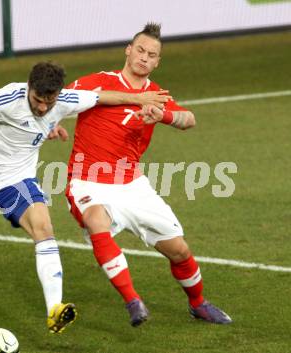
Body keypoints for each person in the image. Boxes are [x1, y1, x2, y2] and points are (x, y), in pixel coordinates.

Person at [0, 61, 170, 341]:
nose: (42, 107)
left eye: (48, 102)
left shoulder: (64, 100)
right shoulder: (7, 99)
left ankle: (54, 309)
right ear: (29, 88)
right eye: (38, 100)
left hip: (18, 181)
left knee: (44, 228)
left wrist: (140, 98)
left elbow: (102, 96)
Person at [60, 23, 232, 326]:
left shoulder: (157, 94)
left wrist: (162, 115)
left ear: (157, 62)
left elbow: (188, 119)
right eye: (140, 50)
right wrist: (50, 124)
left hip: (133, 186)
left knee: (179, 250)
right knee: (96, 218)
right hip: (88, 180)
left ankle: (198, 304)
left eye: (152, 55)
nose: (144, 57)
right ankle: (132, 301)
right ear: (128, 49)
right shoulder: (98, 81)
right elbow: (58, 100)